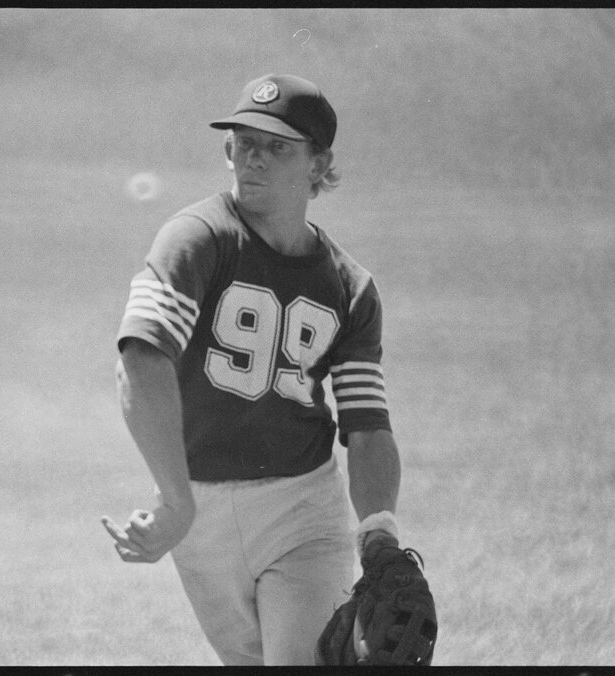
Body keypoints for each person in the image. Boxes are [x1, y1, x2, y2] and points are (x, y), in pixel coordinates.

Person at [101, 74, 403, 666]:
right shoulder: (197, 239)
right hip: (201, 512)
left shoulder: (351, 288)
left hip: (302, 510)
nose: (254, 159)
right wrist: (175, 499)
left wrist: (380, 530)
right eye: (244, 142)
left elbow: (367, 425)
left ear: (320, 164)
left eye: (278, 147)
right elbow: (141, 358)